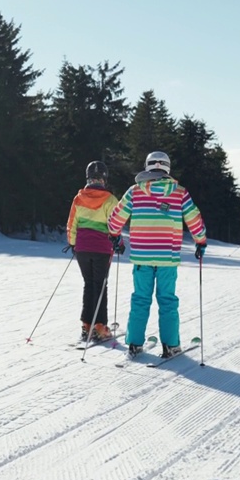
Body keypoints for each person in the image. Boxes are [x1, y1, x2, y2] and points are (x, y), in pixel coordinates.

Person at [107, 151, 207, 358]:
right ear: (167, 168)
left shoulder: (134, 191)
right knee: (167, 300)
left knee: (140, 299)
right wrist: (201, 240)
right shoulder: (180, 192)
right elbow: (194, 219)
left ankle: (134, 343)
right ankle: (170, 345)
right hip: (167, 259)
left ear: (148, 166)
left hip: (142, 258)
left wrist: (115, 235)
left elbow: (116, 219)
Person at [66, 160, 122, 342]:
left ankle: (86, 325)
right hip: (101, 248)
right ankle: (100, 327)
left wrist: (73, 243)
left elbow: (72, 223)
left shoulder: (78, 198)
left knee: (88, 284)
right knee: (100, 285)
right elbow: (114, 225)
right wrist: (118, 242)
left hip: (82, 248)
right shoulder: (110, 200)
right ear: (104, 179)